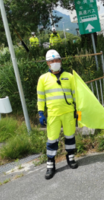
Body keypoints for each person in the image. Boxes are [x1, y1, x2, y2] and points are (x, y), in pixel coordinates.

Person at [37, 49, 78, 180]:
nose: (55, 63)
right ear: (48, 63)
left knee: (70, 136)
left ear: (60, 61)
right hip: (53, 115)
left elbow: (76, 95)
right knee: (52, 139)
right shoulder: (43, 79)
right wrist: (40, 113)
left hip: (68, 113)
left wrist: (79, 111)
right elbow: (41, 98)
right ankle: (50, 164)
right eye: (52, 61)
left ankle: (70, 158)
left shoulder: (70, 76)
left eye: (57, 60)